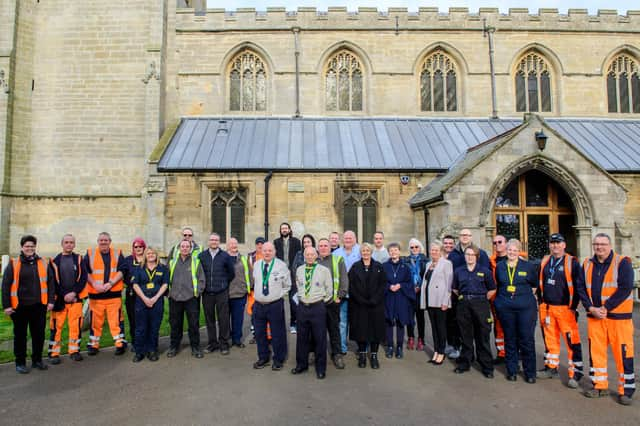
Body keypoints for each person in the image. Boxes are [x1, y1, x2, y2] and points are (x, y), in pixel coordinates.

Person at [577, 233, 635, 406]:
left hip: (619, 319)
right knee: (596, 354)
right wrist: (591, 308)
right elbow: (580, 288)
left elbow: (625, 288)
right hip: (595, 318)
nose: (599, 247)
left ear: (609, 245)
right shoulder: (587, 264)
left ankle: (626, 391)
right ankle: (599, 386)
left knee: (624, 355)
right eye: (596, 244)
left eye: (603, 244)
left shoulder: (622, 262)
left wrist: (605, 307)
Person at [536, 233, 584, 389]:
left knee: (572, 342)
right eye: (552, 243)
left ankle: (575, 373)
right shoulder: (545, 261)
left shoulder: (572, 262)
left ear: (564, 245)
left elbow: (579, 287)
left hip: (565, 309)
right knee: (550, 340)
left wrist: (574, 307)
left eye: (558, 243)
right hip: (548, 308)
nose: (555, 245)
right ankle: (551, 367)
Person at [2, 235, 55, 374]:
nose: (30, 248)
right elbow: (6, 285)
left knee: (38, 335)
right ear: (22, 247)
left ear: (35, 247)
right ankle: (20, 362)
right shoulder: (14, 263)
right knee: (20, 336)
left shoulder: (43, 262)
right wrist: (7, 306)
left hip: (39, 306)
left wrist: (50, 301)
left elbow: (50, 283)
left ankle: (37, 360)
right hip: (19, 307)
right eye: (27, 246)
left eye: (32, 246)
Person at [494, 239, 538, 383]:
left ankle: (530, 372)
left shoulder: (528, 266)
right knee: (510, 338)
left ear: (519, 251)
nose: (512, 252)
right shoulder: (500, 266)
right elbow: (499, 285)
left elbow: (534, 284)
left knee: (526, 339)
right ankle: (511, 370)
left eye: (515, 250)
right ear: (506, 251)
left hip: (525, 308)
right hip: (506, 308)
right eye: (509, 250)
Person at [452, 246, 496, 378]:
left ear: (477, 257)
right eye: (467, 254)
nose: (470, 257)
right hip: (463, 304)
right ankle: (465, 362)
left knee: (482, 336)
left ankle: (486, 366)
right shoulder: (459, 271)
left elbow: (492, 289)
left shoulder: (485, 271)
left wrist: (480, 299)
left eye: (472, 255)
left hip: (481, 305)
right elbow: (455, 289)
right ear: (464, 256)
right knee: (465, 336)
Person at [446, 229, 490, 359]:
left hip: (479, 300)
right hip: (460, 297)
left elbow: (488, 278)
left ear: (471, 237)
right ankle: (462, 353)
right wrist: (460, 293)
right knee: (461, 327)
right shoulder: (453, 254)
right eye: (462, 235)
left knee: (481, 331)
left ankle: (483, 359)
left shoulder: (481, 253)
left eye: (467, 235)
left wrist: (481, 296)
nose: (464, 237)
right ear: (459, 237)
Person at [291, 246, 333, 379]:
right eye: (307, 254)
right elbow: (299, 285)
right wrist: (304, 299)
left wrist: (319, 301)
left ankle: (321, 368)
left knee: (319, 339)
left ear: (316, 256)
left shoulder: (324, 270)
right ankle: (301, 364)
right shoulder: (299, 270)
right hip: (303, 307)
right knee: (301, 338)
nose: (309, 256)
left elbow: (329, 290)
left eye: (312, 254)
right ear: (304, 256)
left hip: (317, 307)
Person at [84, 232, 127, 356]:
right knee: (95, 322)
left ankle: (120, 344)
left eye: (106, 240)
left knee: (116, 322)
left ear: (110, 241)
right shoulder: (90, 253)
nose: (103, 242)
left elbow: (122, 270)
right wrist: (95, 285)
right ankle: (93, 345)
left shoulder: (117, 253)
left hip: (113, 294)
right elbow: (85, 271)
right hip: (96, 296)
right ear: (98, 241)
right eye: (101, 240)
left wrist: (110, 284)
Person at [48, 234, 87, 364]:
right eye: (66, 242)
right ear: (62, 244)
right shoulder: (54, 262)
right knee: (56, 328)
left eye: (71, 242)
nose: (69, 244)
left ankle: (74, 351)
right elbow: (53, 282)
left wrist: (74, 293)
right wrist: (65, 294)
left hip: (76, 300)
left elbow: (83, 279)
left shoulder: (79, 259)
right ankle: (54, 353)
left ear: (74, 244)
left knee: (75, 326)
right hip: (60, 301)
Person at [252, 242, 291, 371]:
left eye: (270, 250)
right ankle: (263, 357)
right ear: (261, 251)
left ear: (274, 252)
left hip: (275, 304)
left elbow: (288, 285)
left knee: (277, 332)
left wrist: (279, 295)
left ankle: (279, 358)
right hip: (258, 305)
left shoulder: (281, 265)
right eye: (265, 250)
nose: (267, 253)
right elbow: (256, 282)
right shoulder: (257, 265)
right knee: (259, 333)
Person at [348, 243, 386, 369]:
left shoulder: (379, 266)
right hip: (359, 305)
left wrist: (375, 299)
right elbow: (351, 285)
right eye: (363, 251)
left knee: (375, 330)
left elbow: (383, 285)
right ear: (361, 252)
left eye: (367, 250)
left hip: (376, 305)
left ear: (371, 252)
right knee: (361, 330)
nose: (365, 252)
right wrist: (360, 299)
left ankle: (374, 356)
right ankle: (363, 354)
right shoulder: (355, 267)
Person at [167, 239, 205, 358]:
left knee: (193, 324)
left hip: (191, 298)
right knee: (175, 324)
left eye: (187, 246)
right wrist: (168, 292)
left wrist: (197, 292)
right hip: (175, 298)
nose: (184, 248)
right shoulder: (172, 262)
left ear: (190, 249)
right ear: (179, 248)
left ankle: (195, 347)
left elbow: (201, 279)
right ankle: (174, 347)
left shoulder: (196, 262)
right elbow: (166, 278)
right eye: (182, 246)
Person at [130, 246, 168, 362]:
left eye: (153, 253)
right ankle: (139, 352)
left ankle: (152, 350)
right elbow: (135, 284)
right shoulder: (139, 268)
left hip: (157, 302)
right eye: (148, 253)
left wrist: (155, 298)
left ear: (156, 255)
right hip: (142, 302)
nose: (151, 255)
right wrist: (145, 298)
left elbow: (165, 284)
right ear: (145, 255)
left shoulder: (162, 268)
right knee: (140, 328)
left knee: (154, 327)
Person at [199, 233, 235, 355]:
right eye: (212, 240)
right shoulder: (202, 256)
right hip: (207, 292)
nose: (214, 242)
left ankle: (224, 344)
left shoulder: (225, 256)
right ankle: (212, 343)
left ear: (219, 242)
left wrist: (223, 283)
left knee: (223, 319)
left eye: (216, 240)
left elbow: (231, 273)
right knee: (209, 319)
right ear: (209, 241)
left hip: (221, 292)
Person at [317, 238, 348, 369]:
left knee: (334, 330)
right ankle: (316, 353)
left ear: (330, 247)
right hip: (316, 303)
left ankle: (337, 354)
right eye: (321, 246)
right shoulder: (313, 260)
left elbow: (344, 279)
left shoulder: (337, 260)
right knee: (317, 330)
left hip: (332, 302)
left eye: (326, 245)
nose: (323, 248)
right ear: (318, 248)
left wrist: (340, 296)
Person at [420, 241, 453, 365]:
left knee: (441, 328)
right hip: (430, 300)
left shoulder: (446, 264)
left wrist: (446, 301)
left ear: (441, 251)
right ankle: (436, 351)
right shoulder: (429, 264)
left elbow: (449, 284)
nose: (433, 252)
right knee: (433, 328)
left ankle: (441, 352)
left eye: (436, 250)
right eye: (432, 250)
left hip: (440, 301)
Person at [383, 243, 414, 359]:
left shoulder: (405, 267)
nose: (394, 252)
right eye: (391, 250)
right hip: (389, 297)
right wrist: (388, 286)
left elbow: (409, 283)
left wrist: (400, 285)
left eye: (396, 250)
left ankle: (399, 347)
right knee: (389, 321)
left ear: (399, 252)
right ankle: (390, 346)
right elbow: (381, 282)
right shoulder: (384, 266)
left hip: (401, 297)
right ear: (389, 252)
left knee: (401, 322)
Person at [333, 230, 361, 354]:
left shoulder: (361, 251)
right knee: (342, 321)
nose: (348, 240)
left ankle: (361, 347)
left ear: (355, 239)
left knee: (358, 321)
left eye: (350, 238)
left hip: (358, 293)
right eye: (346, 238)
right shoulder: (336, 253)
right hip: (342, 293)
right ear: (342, 239)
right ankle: (342, 347)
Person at [273, 222, 302, 334]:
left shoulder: (296, 241)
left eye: (286, 228)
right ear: (280, 231)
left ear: (289, 230)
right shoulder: (276, 242)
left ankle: (293, 323)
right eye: (282, 228)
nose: (284, 230)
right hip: (281, 274)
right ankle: (278, 324)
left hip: (292, 273)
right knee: (278, 299)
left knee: (293, 300)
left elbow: (299, 256)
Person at [226, 237, 252, 348]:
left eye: (235, 244)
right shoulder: (223, 258)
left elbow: (250, 273)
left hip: (240, 293)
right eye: (231, 244)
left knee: (238, 319)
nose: (233, 246)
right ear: (228, 246)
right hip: (225, 294)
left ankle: (237, 340)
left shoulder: (244, 258)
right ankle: (226, 339)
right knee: (225, 319)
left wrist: (249, 287)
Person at [122, 237, 146, 353]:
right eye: (136, 247)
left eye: (140, 246)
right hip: (132, 295)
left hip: (146, 294)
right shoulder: (128, 260)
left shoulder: (148, 259)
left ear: (144, 247)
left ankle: (145, 341)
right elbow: (122, 274)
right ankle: (135, 342)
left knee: (145, 319)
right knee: (133, 320)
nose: (138, 248)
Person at [404, 238, 427, 351]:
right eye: (412, 247)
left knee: (420, 317)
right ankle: (411, 337)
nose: (414, 249)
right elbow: (404, 276)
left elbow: (427, 276)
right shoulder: (406, 260)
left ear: (420, 247)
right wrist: (411, 287)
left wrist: (419, 286)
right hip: (409, 292)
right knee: (410, 317)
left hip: (421, 292)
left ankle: (421, 339)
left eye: (416, 247)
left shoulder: (425, 260)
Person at [489, 234, 508, 364]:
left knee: (512, 328)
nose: (497, 245)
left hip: (510, 299)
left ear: (506, 243)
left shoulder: (514, 259)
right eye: (494, 243)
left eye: (500, 242)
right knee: (499, 327)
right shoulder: (491, 261)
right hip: (496, 299)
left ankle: (513, 354)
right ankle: (501, 353)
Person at [247, 236, 265, 343]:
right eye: (258, 243)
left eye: (261, 243)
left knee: (265, 312)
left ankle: (266, 334)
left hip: (265, 289)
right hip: (253, 289)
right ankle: (255, 335)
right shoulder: (250, 256)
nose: (260, 245)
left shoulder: (268, 256)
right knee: (253, 312)